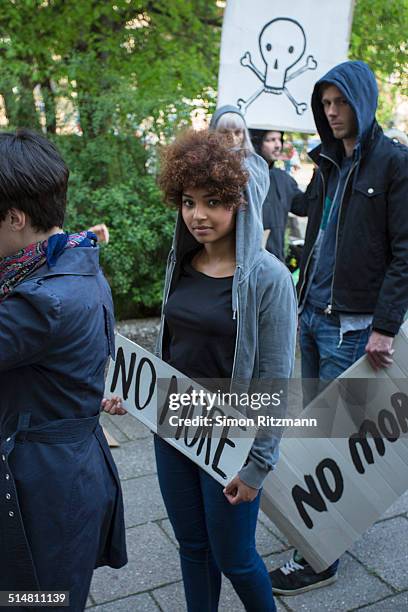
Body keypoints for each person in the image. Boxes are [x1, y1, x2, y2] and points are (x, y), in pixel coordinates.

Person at [105, 126, 297, 611]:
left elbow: (275, 383)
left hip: (231, 441)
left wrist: (257, 467)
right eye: (189, 202)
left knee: (234, 558)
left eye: (212, 201)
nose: (198, 215)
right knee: (192, 549)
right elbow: (173, 350)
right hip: (174, 428)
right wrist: (134, 392)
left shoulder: (269, 279)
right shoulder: (182, 263)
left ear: (238, 202)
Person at [269, 60, 408, 595]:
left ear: (362, 100)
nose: (332, 113)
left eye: (341, 103)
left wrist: (386, 326)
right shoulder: (328, 161)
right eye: (325, 105)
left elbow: (404, 253)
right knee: (311, 430)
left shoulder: (394, 163)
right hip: (311, 312)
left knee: (334, 437)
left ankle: (320, 556)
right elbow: (308, 215)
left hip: (353, 326)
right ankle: (315, 531)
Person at [0, 129, 127, 610]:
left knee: (38, 599)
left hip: (44, 486)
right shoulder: (75, 258)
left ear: (16, 217)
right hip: (67, 469)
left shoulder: (40, 300)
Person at [250, 129, 306, 262]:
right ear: (257, 143)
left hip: (276, 262)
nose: (277, 145)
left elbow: (303, 207)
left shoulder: (282, 178)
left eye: (279, 139)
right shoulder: (244, 178)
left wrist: (319, 174)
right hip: (247, 264)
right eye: (270, 140)